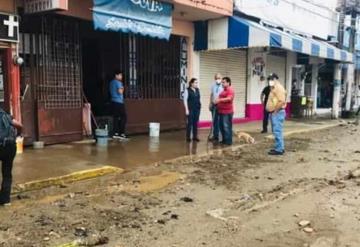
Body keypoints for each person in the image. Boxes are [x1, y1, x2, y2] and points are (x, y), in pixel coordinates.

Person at [0, 108, 22, 206]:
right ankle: (5, 200)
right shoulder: (5, 114)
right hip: (9, 146)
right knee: (7, 173)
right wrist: (19, 134)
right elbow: (19, 125)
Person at [266, 73, 287, 155]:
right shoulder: (274, 88)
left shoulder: (279, 88)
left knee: (277, 131)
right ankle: (279, 147)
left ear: (275, 79)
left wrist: (275, 112)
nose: (269, 81)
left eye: (271, 79)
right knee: (276, 131)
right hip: (275, 113)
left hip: (277, 113)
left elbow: (281, 101)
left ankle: (279, 149)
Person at [109, 70, 128, 140]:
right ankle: (122, 134)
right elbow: (120, 92)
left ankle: (115, 133)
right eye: (120, 75)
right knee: (124, 117)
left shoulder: (111, 82)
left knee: (116, 117)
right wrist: (122, 87)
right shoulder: (118, 82)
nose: (121, 76)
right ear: (116, 75)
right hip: (119, 102)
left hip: (113, 102)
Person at [215, 77, 234, 145]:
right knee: (221, 126)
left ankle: (228, 141)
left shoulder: (230, 90)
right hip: (221, 111)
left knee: (226, 127)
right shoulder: (223, 90)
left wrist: (220, 100)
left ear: (228, 83)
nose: (222, 83)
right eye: (222, 82)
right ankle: (224, 140)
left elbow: (229, 98)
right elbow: (220, 98)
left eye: (224, 82)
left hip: (227, 112)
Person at [183, 78, 201, 142]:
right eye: (195, 82)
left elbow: (198, 99)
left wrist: (199, 107)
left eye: (197, 83)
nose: (196, 84)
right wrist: (186, 109)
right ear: (191, 83)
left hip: (197, 109)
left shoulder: (197, 90)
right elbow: (185, 100)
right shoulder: (187, 90)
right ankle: (188, 137)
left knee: (195, 123)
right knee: (189, 123)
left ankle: (195, 137)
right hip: (190, 109)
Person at [209, 73, 223, 142]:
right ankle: (215, 136)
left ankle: (221, 137)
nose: (218, 79)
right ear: (215, 79)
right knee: (214, 121)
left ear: (221, 78)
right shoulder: (213, 85)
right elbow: (211, 94)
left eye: (219, 78)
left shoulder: (223, 85)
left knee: (220, 121)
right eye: (216, 78)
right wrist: (210, 103)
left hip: (221, 105)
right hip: (214, 105)